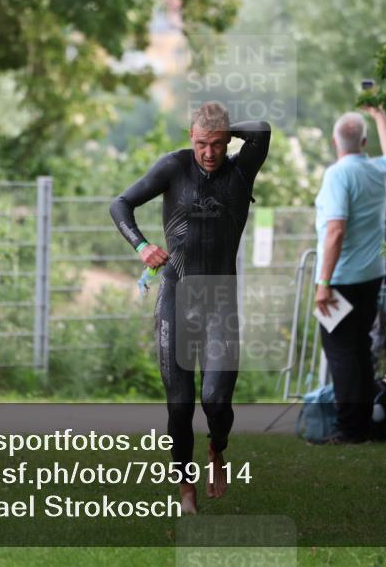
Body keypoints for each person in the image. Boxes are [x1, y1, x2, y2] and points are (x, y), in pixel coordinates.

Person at [110, 102, 270, 513]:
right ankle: (186, 488)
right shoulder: (174, 167)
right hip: (176, 297)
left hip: (220, 301)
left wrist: (224, 127)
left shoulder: (241, 170)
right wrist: (142, 246)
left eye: (218, 143)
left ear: (228, 140)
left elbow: (263, 130)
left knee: (216, 398)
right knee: (179, 404)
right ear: (190, 138)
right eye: (202, 143)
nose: (210, 153)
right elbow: (120, 204)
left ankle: (217, 448)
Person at [313, 105, 386, 443]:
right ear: (364, 142)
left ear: (337, 142)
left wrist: (323, 283)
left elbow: (335, 231)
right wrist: (380, 115)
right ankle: (362, 425)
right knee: (360, 347)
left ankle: (349, 429)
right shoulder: (377, 170)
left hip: (342, 278)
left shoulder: (338, 175)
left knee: (341, 351)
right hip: (371, 275)